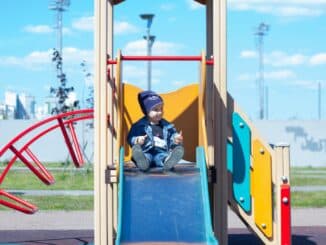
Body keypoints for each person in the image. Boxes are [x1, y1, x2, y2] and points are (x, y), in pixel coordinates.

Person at [127, 90, 184, 171]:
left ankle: (169, 161)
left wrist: (176, 139)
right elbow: (130, 138)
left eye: (161, 109)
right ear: (146, 111)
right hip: (146, 151)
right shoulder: (139, 126)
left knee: (162, 157)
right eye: (156, 110)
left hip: (161, 152)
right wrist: (137, 140)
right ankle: (143, 163)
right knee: (146, 156)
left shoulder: (167, 125)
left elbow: (172, 135)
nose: (160, 112)